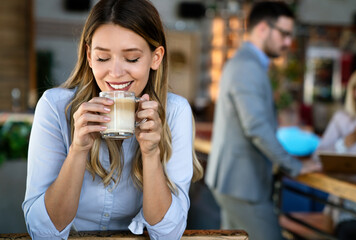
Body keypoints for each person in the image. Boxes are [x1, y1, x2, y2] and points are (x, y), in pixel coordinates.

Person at [22, 0, 203, 239]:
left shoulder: (175, 112)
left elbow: (168, 234)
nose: (115, 73)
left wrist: (151, 155)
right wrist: (78, 149)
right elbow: (41, 233)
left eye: (132, 59)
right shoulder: (54, 108)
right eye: (103, 58)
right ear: (89, 55)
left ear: (156, 57)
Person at [205, 2, 321, 240]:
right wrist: (295, 166)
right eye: (285, 34)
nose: (289, 42)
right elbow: (256, 127)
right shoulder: (248, 66)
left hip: (236, 181)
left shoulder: (248, 62)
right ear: (262, 29)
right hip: (243, 184)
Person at [314, 68, 356, 240]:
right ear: (354, 91)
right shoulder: (343, 119)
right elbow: (319, 155)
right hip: (348, 204)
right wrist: (346, 142)